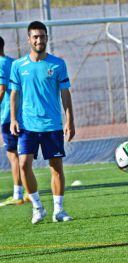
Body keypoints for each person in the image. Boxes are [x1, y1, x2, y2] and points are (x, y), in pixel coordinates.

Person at [10, 21, 76, 223]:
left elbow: (65, 94)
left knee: (56, 167)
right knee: (23, 164)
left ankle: (59, 211)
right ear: (29, 39)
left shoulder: (58, 64)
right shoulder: (18, 66)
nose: (39, 40)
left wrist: (70, 121)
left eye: (42, 36)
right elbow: (14, 94)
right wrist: (13, 119)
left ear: (47, 38)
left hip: (52, 125)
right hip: (27, 125)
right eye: (35, 37)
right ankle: (38, 208)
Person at [0, 36, 24, 207]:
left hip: (8, 116)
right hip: (19, 115)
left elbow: (1, 89)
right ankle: (28, 192)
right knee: (21, 155)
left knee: (13, 155)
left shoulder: (0, 64)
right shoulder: (13, 62)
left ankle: (18, 194)